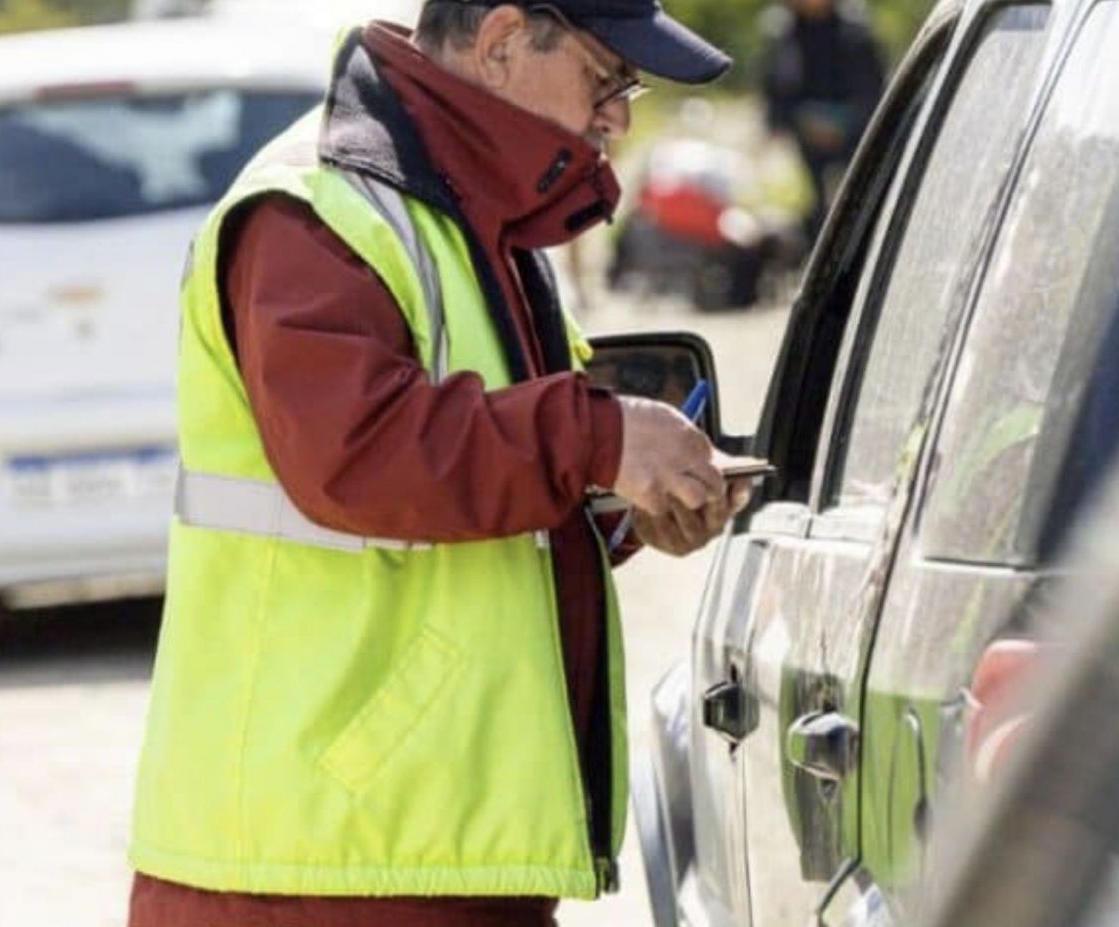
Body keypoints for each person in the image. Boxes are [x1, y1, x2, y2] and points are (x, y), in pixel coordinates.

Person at [129, 2, 750, 924]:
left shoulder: (471, 214)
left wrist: (623, 507)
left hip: (415, 854)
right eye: (605, 76)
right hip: (307, 872)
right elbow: (361, 456)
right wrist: (601, 439)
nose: (619, 115)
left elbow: (481, 484)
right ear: (501, 41)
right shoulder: (314, 213)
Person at [760, 0, 885, 240]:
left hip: (854, 139)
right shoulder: (783, 33)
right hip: (805, 140)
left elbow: (872, 90)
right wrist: (793, 122)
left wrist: (843, 124)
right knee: (812, 210)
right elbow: (775, 88)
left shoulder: (855, 31)